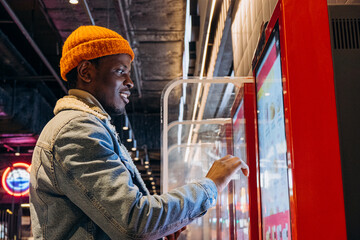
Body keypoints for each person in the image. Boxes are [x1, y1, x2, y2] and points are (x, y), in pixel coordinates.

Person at [29, 25, 249, 240]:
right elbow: (135, 222)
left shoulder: (90, 125)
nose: (130, 82)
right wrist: (211, 185)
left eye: (129, 73)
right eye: (120, 71)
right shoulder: (77, 130)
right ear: (86, 72)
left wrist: (164, 224)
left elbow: (123, 220)